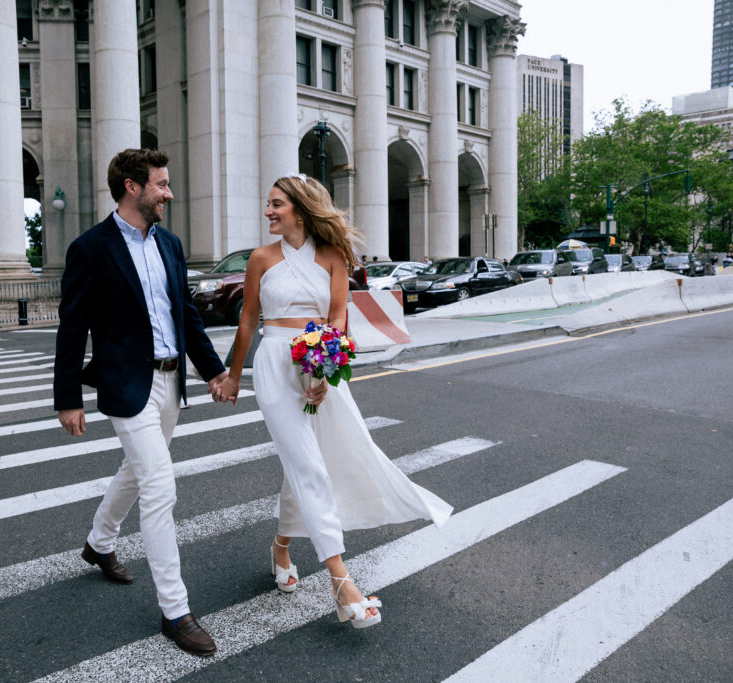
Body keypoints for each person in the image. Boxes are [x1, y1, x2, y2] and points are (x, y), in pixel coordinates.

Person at [215, 175, 452, 629]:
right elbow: (248, 322)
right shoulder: (261, 259)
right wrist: (231, 377)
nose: (268, 211)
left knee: (312, 461)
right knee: (309, 465)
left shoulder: (333, 257)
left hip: (320, 361)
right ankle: (342, 584)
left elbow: (338, 317)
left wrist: (324, 371)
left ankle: (281, 546)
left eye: (276, 204)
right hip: (273, 364)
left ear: (300, 210)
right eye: (268, 204)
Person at [53, 148, 229, 657]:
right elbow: (72, 328)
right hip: (127, 386)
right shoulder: (91, 248)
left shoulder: (170, 245)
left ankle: (99, 543)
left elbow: (187, 318)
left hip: (171, 383)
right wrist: (68, 398)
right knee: (158, 485)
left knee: (136, 471)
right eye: (161, 185)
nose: (168, 193)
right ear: (133, 187)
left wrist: (214, 370)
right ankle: (175, 610)